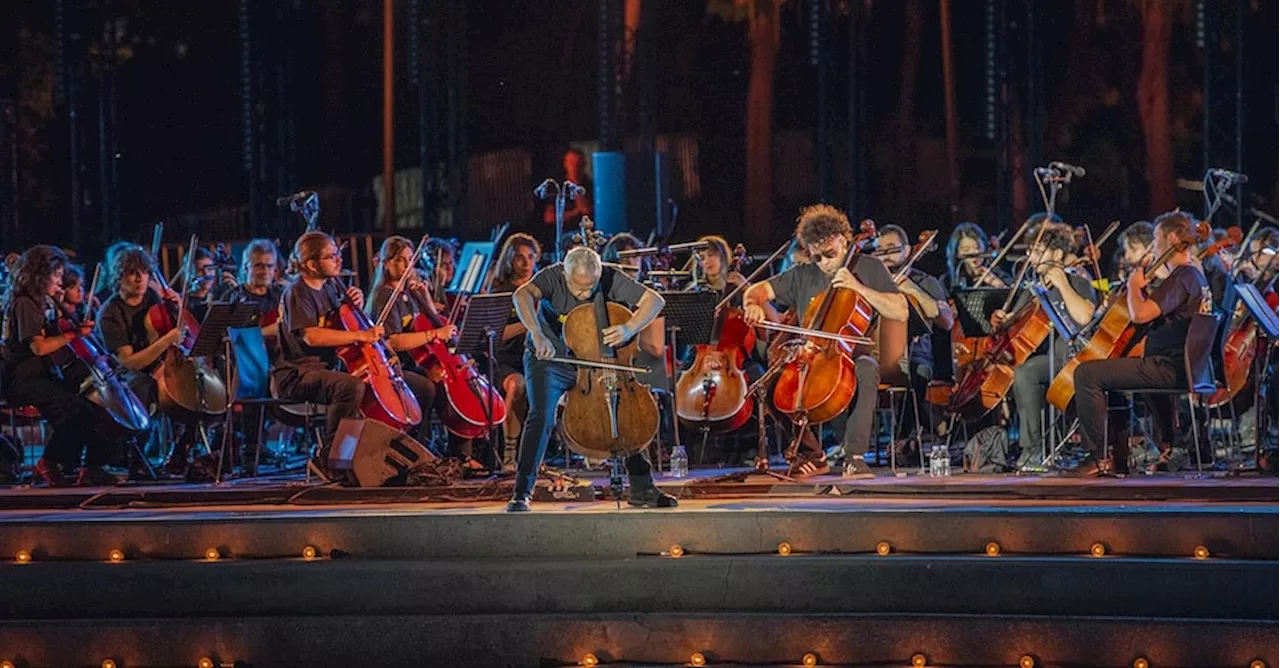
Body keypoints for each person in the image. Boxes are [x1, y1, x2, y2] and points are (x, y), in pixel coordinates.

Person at [506, 245, 677, 512]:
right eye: (579, 288)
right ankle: (521, 492)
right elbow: (522, 295)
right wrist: (537, 333)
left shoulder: (609, 277)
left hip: (595, 359)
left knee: (625, 409)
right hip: (551, 358)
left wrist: (630, 327)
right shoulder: (552, 277)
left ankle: (642, 488)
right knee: (541, 417)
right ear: (565, 273)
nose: (586, 294)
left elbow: (655, 301)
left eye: (591, 287)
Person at [742, 204, 909, 478]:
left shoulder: (869, 267)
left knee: (866, 368)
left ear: (844, 241)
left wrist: (858, 288)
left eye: (830, 255)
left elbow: (900, 310)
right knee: (771, 385)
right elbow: (757, 290)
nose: (825, 263)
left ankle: (854, 456)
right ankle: (813, 453)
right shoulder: (803, 274)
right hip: (812, 354)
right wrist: (753, 304)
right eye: (817, 256)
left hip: (854, 350)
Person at [1073, 211, 1213, 475]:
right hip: (1183, 366)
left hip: (1168, 367)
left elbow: (1140, 314)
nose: (1154, 246)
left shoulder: (1182, 276)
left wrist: (1134, 286)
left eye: (1156, 239)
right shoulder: (1194, 276)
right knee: (1110, 377)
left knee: (1086, 373)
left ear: (1171, 238)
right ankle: (1119, 457)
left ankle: (1097, 459)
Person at [367, 236, 490, 474]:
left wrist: (426, 302)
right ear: (385, 263)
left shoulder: (409, 294)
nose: (406, 266)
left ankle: (460, 454)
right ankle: (419, 450)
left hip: (417, 361)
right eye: (400, 260)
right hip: (396, 366)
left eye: (409, 260)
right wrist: (435, 334)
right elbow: (393, 341)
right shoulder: (384, 295)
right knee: (427, 386)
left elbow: (432, 325)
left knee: (452, 382)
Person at [990, 220, 1098, 471]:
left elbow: (1084, 317)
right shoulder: (1034, 289)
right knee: (1025, 372)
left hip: (1079, 359)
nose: (1032, 256)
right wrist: (1002, 319)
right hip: (1053, 359)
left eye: (1039, 251)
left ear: (1058, 254)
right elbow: (1013, 321)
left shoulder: (1077, 281)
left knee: (1040, 367)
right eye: (1031, 251)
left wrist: (1061, 283)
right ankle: (1032, 450)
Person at [2, 246, 116, 486]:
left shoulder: (43, 302)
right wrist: (73, 334)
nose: (59, 281)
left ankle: (91, 467)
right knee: (72, 411)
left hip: (43, 374)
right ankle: (50, 462)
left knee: (92, 409)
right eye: (55, 275)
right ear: (41, 275)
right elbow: (39, 348)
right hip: (23, 378)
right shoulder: (25, 303)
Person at [270, 231, 375, 460]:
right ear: (311, 264)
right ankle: (332, 454)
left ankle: (366, 454)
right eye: (331, 256)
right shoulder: (297, 292)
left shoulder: (330, 288)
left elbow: (341, 325)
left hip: (325, 372)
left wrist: (355, 304)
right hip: (297, 375)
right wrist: (362, 335)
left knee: (374, 384)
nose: (339, 260)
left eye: (338, 254)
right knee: (351, 387)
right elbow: (312, 337)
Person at [95, 244, 198, 477]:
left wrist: (178, 305)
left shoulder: (154, 298)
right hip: (126, 373)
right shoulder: (110, 313)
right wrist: (165, 342)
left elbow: (182, 330)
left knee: (200, 385)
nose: (140, 279)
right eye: (132, 273)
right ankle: (136, 459)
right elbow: (129, 362)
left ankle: (181, 452)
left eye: (144, 272)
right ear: (119, 278)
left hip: (163, 364)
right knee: (143, 386)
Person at [487, 233, 541, 472]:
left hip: (538, 358)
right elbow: (497, 335)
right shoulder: (501, 291)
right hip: (506, 361)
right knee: (517, 386)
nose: (526, 263)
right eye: (520, 257)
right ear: (509, 260)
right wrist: (530, 322)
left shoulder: (542, 289)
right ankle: (509, 453)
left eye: (530, 257)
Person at [944, 222, 1008, 291]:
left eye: (978, 247)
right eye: (966, 249)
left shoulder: (998, 274)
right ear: (957, 253)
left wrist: (1000, 286)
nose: (974, 253)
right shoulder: (947, 281)